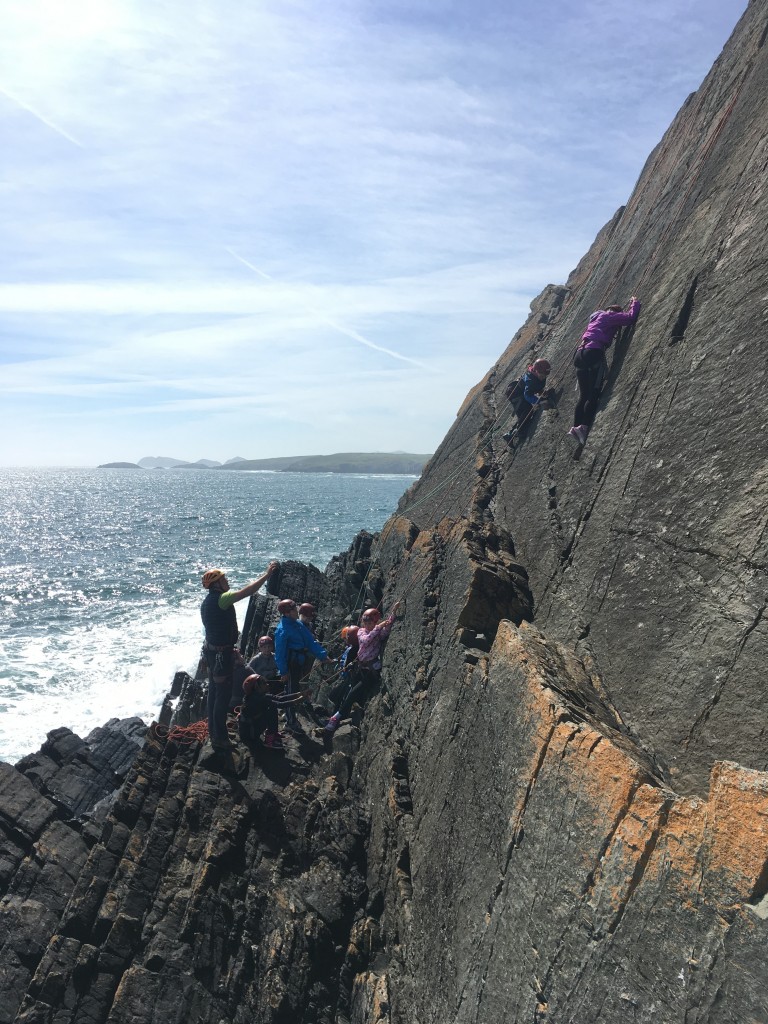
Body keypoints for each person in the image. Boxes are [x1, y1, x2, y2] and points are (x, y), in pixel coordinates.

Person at [200, 561, 279, 751]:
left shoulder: (206, 603)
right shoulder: (221, 598)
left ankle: (214, 732)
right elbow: (248, 591)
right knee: (222, 696)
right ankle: (220, 738)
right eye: (223, 579)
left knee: (213, 694)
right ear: (216, 584)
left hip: (212, 653)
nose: (227, 581)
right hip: (221, 657)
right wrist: (267, 575)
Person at [569, 297, 641, 446]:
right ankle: (584, 427)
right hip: (593, 353)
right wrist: (635, 302)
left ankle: (575, 427)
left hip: (579, 354)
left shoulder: (595, 319)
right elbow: (630, 318)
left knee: (583, 396)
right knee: (594, 393)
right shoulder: (609, 316)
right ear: (614, 312)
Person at [326, 602, 401, 732]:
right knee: (349, 692)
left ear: (375, 622)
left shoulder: (377, 632)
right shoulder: (361, 632)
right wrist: (378, 627)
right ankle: (338, 716)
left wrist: (393, 613)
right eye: (365, 622)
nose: (367, 625)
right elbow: (366, 641)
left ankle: (336, 718)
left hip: (370, 671)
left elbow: (386, 630)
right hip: (360, 668)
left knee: (353, 693)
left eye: (370, 623)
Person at [274, 598, 333, 734]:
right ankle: (290, 723)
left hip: (298, 662)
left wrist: (323, 656)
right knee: (291, 693)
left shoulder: (297, 624)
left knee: (293, 690)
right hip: (290, 664)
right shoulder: (283, 629)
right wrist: (283, 671)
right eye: (295, 609)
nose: (297, 611)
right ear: (288, 613)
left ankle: (290, 715)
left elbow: (310, 642)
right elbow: (279, 653)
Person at [502, 359, 552, 443]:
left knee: (524, 415)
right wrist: (539, 401)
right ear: (536, 371)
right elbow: (527, 395)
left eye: (545, 375)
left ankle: (510, 434)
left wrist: (541, 392)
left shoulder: (537, 376)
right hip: (514, 394)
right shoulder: (530, 380)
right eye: (542, 375)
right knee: (527, 409)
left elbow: (536, 388)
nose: (544, 377)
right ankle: (516, 432)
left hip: (517, 392)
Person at [237, 673, 284, 751]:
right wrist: (300, 699)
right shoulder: (258, 699)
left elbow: (279, 698)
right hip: (250, 735)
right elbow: (281, 704)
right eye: (264, 683)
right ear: (256, 687)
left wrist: (298, 694)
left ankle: (273, 733)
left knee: (271, 708)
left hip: (249, 732)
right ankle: (269, 740)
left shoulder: (256, 696)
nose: (267, 684)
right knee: (270, 710)